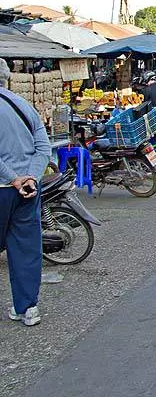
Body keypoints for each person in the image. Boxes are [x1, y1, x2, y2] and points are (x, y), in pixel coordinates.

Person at [0, 58, 51, 326]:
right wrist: (29, 177)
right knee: (25, 249)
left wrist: (13, 178)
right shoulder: (23, 105)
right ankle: (27, 308)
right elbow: (44, 146)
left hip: (5, 188)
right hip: (27, 191)